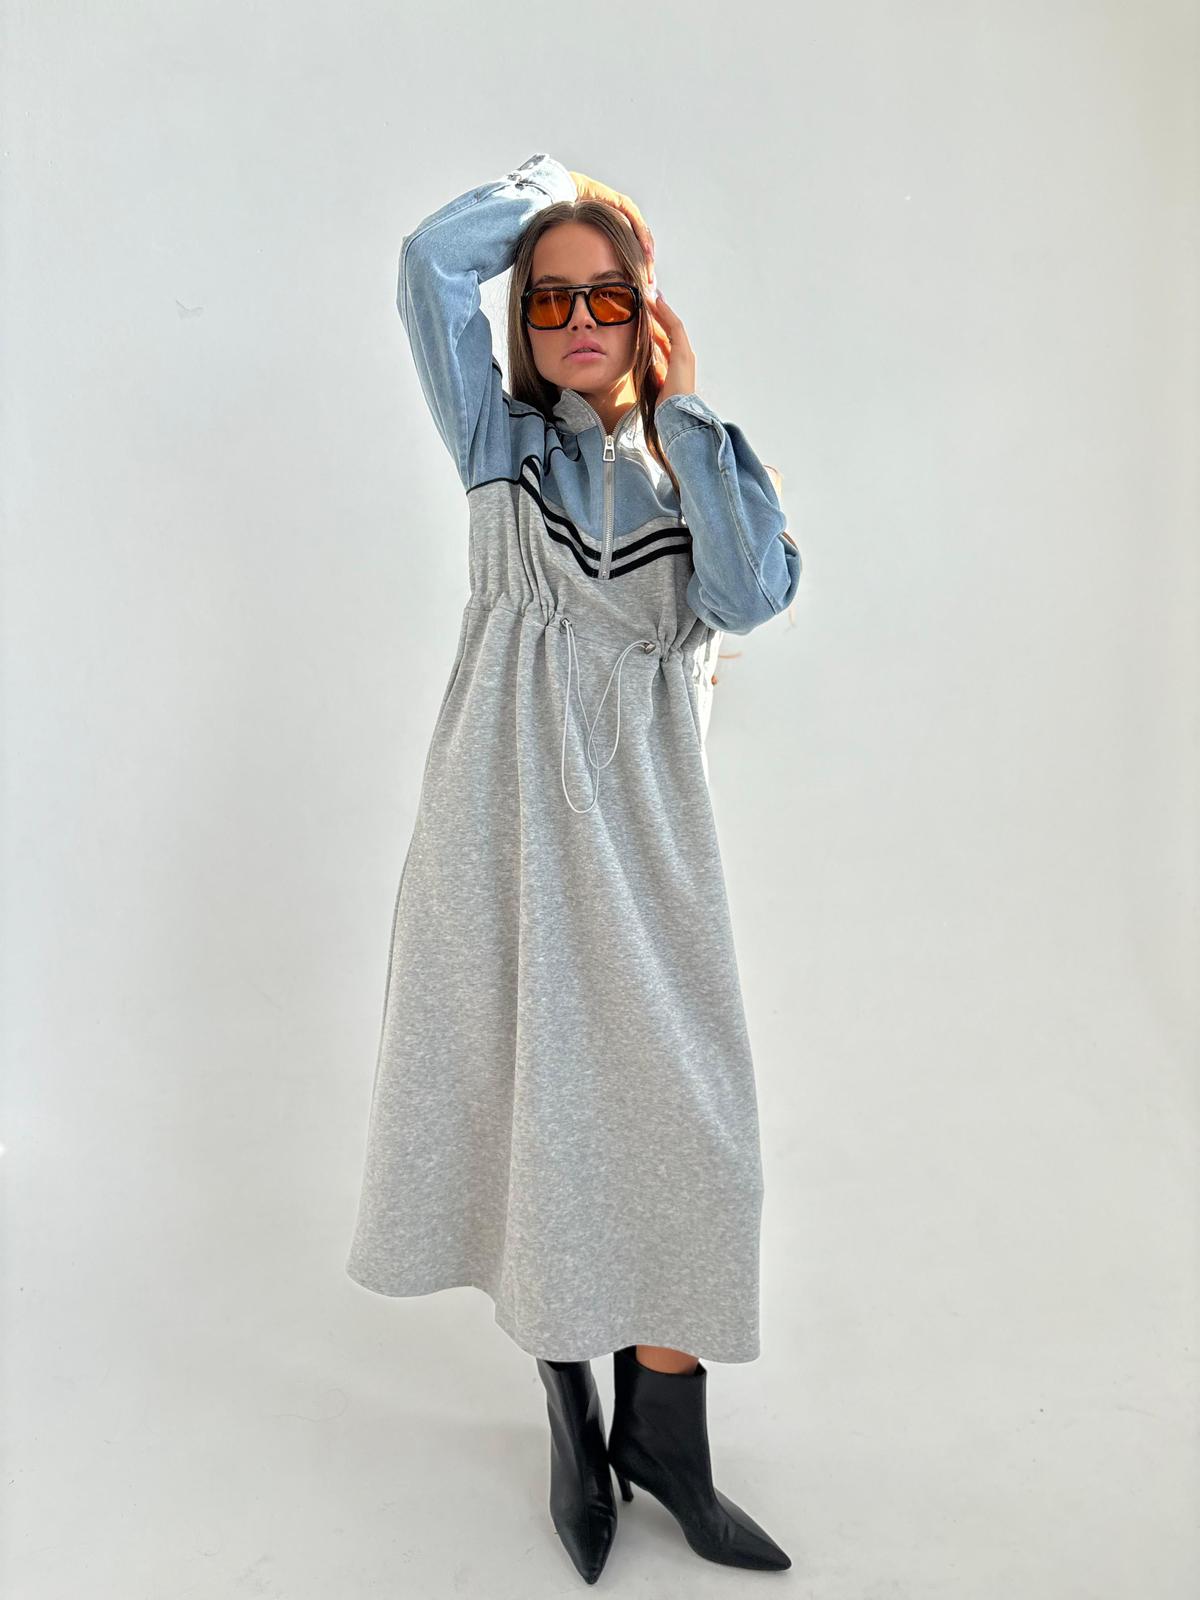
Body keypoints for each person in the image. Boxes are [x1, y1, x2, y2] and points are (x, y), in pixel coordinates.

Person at [344, 152, 800, 1582]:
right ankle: (570, 1412)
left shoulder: (695, 462)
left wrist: (685, 407)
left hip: (649, 842)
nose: (577, 320)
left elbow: (752, 595)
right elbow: (429, 262)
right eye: (550, 299)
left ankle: (667, 1437)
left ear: (646, 307)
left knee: (692, 1126)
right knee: (535, 1114)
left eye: (607, 295)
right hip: (499, 830)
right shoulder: (500, 446)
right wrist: (558, 183)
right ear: (524, 324)